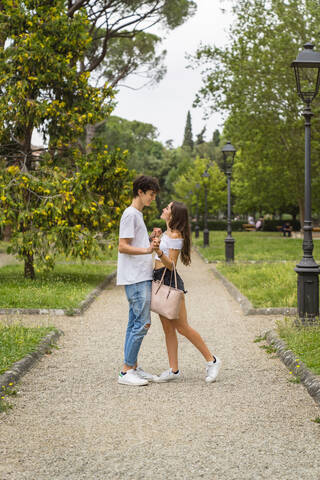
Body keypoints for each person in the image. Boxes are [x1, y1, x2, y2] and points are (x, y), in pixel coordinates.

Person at [152, 201, 221, 384]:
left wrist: (159, 251)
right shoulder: (168, 233)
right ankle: (173, 370)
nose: (164, 209)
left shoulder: (175, 234)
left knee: (182, 327)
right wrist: (157, 238)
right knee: (168, 329)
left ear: (173, 215)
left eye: (167, 208)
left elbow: (172, 264)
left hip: (170, 282)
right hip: (159, 279)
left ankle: (212, 360)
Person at [117, 175, 160, 386]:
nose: (153, 198)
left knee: (134, 322)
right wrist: (146, 249)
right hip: (135, 278)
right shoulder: (130, 215)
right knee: (142, 323)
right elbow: (122, 246)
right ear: (140, 192)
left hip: (140, 275)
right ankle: (126, 372)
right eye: (151, 194)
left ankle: (131, 366)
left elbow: (136, 244)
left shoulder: (137, 215)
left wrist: (150, 241)